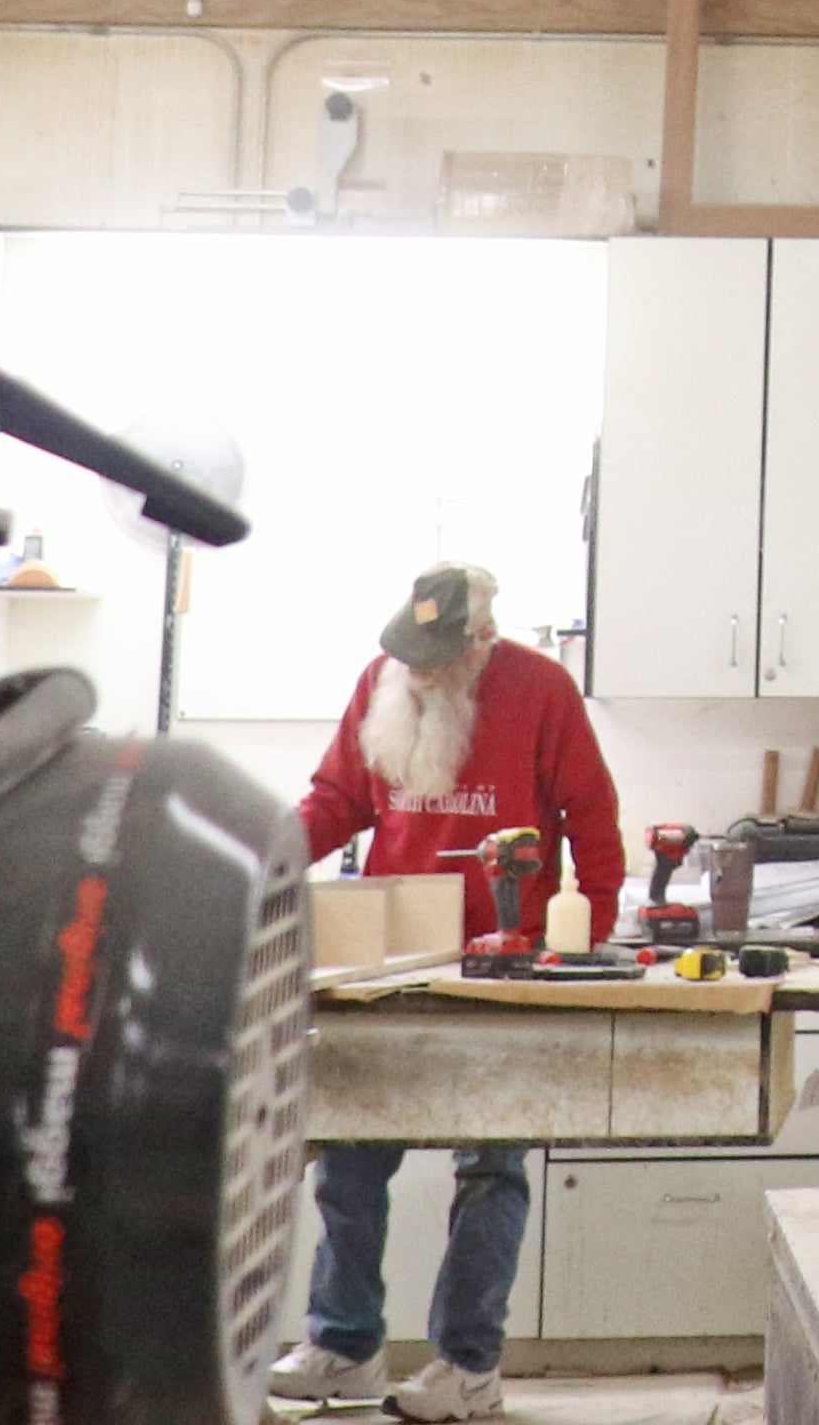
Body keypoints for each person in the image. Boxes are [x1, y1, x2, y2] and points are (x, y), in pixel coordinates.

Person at [273, 566, 628, 1424]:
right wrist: (266, 856)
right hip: (388, 957)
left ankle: (469, 1365)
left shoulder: (539, 690)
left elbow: (591, 811)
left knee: (491, 1167)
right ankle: (345, 1346)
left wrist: (589, 930)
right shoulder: (381, 680)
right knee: (351, 1160)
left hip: (501, 965)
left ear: (481, 640)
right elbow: (338, 798)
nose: (421, 674)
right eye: (411, 658)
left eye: (439, 659)